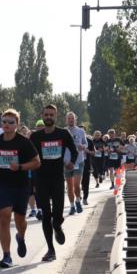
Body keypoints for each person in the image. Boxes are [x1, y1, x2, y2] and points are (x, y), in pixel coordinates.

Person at [0, 109, 40, 269]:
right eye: (4, 122)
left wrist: (21, 166)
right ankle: (6, 256)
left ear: (17, 124)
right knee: (4, 217)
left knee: (20, 221)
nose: (7, 125)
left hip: (21, 185)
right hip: (3, 184)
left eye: (11, 122)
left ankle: (21, 236)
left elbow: (37, 162)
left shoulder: (23, 141)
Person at [28, 104, 78, 263]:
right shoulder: (35, 137)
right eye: (46, 114)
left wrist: (71, 162)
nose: (49, 117)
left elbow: (74, 150)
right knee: (46, 216)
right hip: (41, 179)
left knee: (57, 214)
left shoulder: (63, 134)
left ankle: (58, 226)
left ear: (56, 116)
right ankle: (50, 249)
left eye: (51, 115)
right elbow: (27, 155)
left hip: (57, 178)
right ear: (42, 116)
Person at [63, 111, 87, 215]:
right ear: (66, 120)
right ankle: (72, 206)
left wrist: (83, 146)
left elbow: (86, 144)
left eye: (72, 118)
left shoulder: (80, 131)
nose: (71, 120)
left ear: (75, 120)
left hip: (78, 161)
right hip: (67, 162)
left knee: (76, 185)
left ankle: (78, 200)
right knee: (69, 186)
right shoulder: (63, 132)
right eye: (69, 118)